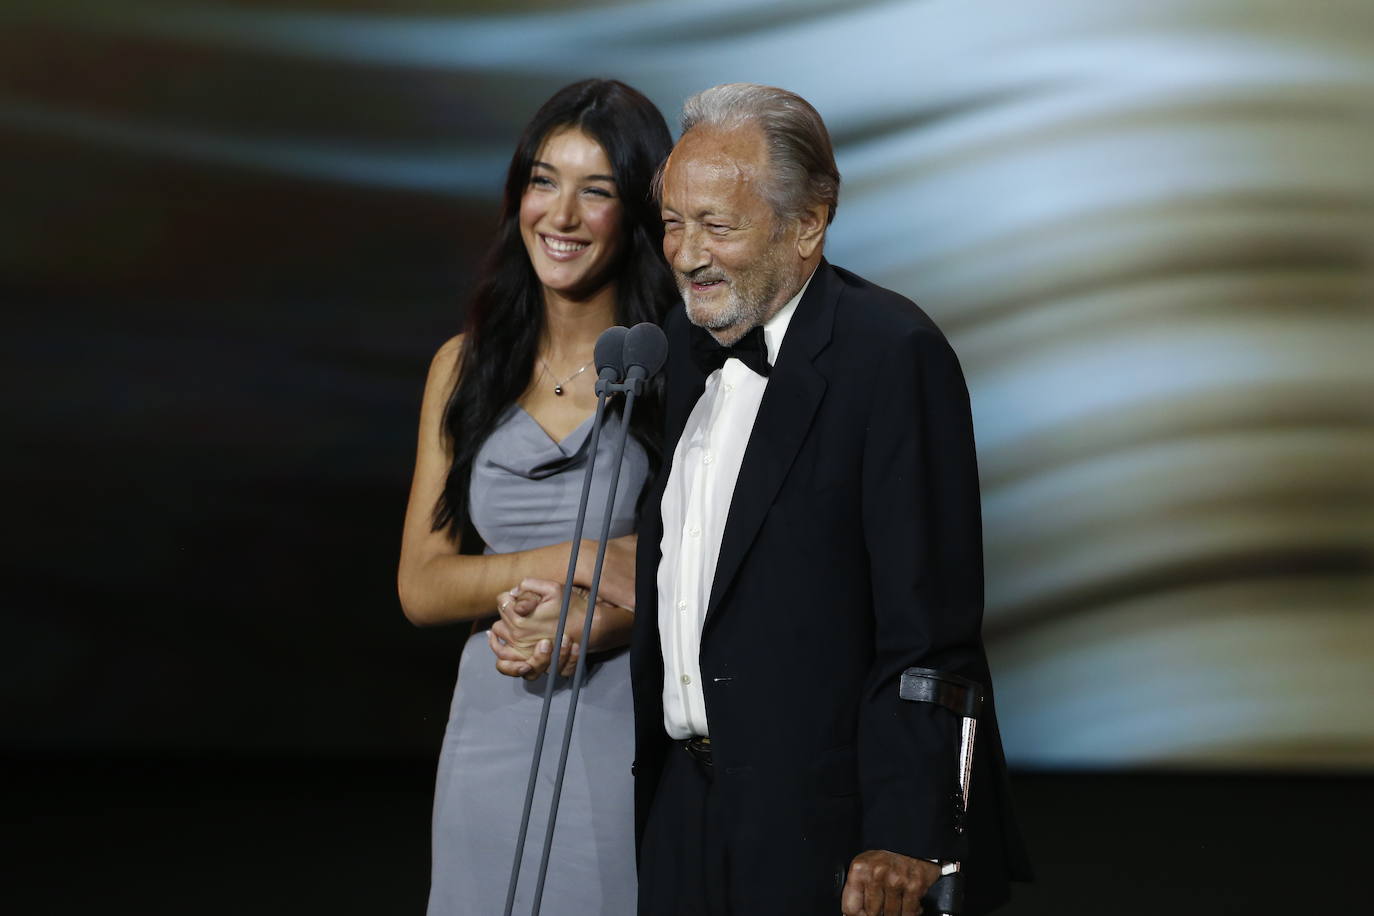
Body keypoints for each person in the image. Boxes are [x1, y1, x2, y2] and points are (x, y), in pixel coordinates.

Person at [629, 83, 1034, 916]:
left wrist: (908, 832)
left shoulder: (892, 355)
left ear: (808, 224)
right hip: (682, 813)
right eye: (672, 222)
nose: (685, 253)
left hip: (833, 832)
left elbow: (931, 628)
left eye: (718, 225)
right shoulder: (674, 348)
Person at [397, 79, 675, 916]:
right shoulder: (464, 366)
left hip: (625, 720)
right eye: (544, 180)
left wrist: (609, 618)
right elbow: (421, 585)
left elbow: (722, 579)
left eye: (597, 191)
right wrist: (580, 557)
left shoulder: (681, 371)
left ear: (634, 214)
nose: (560, 214)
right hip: (493, 717)